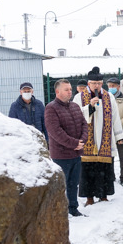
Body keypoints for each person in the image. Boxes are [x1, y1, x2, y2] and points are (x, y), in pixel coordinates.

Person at [73, 67, 123, 205]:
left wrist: (119, 135)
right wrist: (89, 107)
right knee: (88, 169)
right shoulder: (79, 97)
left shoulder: (109, 96)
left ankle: (103, 195)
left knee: (104, 168)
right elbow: (76, 116)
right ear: (89, 84)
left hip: (105, 139)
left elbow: (115, 117)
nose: (97, 86)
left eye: (99, 83)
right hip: (87, 138)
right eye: (94, 83)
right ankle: (89, 197)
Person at [44, 79, 88, 217]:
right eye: (66, 89)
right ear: (57, 92)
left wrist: (82, 140)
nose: (70, 92)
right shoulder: (51, 108)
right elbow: (55, 132)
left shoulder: (75, 106)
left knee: (73, 184)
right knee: (61, 186)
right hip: (61, 155)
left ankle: (73, 208)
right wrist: (74, 143)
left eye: (70, 89)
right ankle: (59, 211)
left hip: (76, 154)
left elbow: (84, 124)